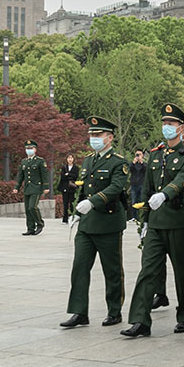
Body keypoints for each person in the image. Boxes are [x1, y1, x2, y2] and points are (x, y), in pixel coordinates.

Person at [121, 104, 184, 338]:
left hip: (178, 221)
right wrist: (144, 221)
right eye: (164, 123)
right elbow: (147, 188)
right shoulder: (156, 154)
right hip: (156, 223)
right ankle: (140, 320)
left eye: (171, 124)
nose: (167, 127)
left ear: (183, 129)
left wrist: (166, 193)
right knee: (148, 270)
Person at [61, 116, 129, 329]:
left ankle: (114, 311)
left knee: (112, 270)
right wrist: (78, 211)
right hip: (87, 224)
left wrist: (92, 202)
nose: (93, 139)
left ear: (109, 137)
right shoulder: (89, 160)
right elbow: (84, 188)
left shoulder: (119, 162)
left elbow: (116, 187)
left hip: (108, 223)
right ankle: (79, 311)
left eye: (98, 135)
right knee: (79, 267)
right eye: (91, 135)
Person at [13, 140, 49, 236]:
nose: (29, 150)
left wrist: (46, 186)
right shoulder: (24, 161)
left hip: (37, 187)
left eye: (31, 148)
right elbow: (21, 176)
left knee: (32, 207)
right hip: (27, 188)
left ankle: (40, 223)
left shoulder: (40, 161)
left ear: (35, 149)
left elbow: (44, 174)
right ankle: (30, 228)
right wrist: (17, 187)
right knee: (27, 209)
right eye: (27, 148)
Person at [58, 154, 80, 224]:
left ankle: (72, 218)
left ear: (73, 159)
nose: (70, 159)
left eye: (71, 158)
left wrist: (68, 174)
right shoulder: (64, 167)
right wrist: (69, 175)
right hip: (65, 187)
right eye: (68, 158)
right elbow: (63, 177)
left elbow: (75, 176)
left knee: (72, 203)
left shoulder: (76, 168)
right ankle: (65, 219)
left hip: (72, 187)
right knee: (65, 203)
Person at [128, 150, 146, 221]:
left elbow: (146, 170)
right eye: (137, 155)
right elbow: (129, 169)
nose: (138, 156)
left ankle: (141, 217)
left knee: (141, 200)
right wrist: (133, 162)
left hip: (142, 184)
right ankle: (134, 217)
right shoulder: (133, 164)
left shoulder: (144, 164)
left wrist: (141, 162)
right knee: (134, 201)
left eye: (139, 154)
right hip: (134, 185)